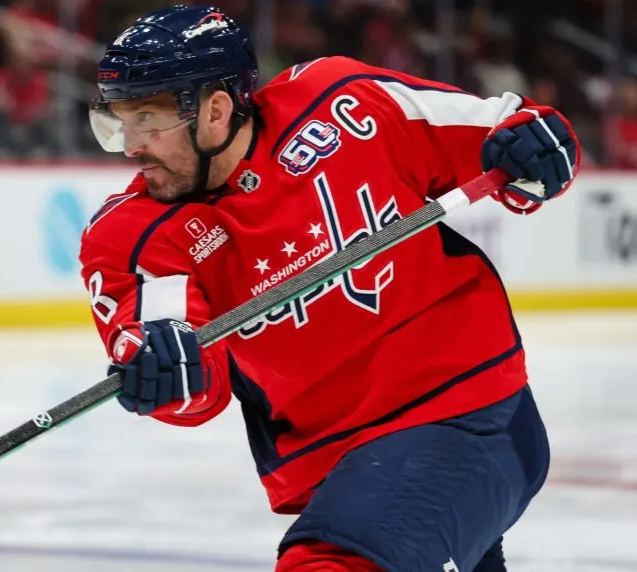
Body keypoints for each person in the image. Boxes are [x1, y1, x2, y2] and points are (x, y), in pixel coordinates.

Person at [79, 5, 580, 572]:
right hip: (343, 471)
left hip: (467, 413)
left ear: (215, 110)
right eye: (119, 122)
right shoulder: (134, 234)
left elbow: (507, 136)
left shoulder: (341, 102)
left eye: (148, 120)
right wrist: (164, 372)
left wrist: (538, 146)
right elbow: (189, 378)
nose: (131, 145)